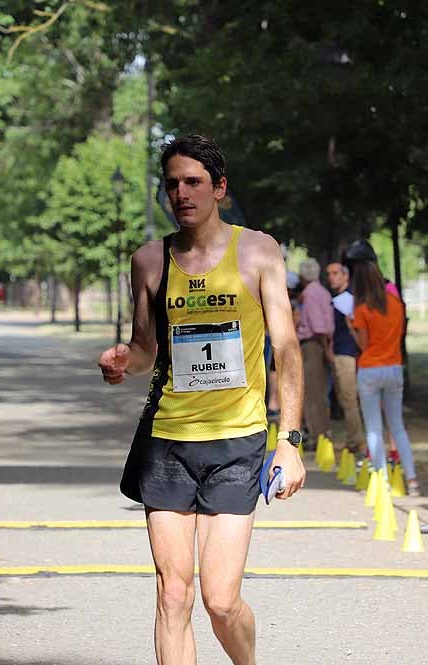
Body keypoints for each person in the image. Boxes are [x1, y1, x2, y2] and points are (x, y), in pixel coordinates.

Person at [98, 134, 305, 665]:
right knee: (172, 594)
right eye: (172, 184)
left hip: (237, 443)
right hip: (167, 442)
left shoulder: (258, 250)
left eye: (193, 182)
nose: (182, 193)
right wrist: (123, 361)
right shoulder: (148, 260)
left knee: (220, 599)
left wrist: (291, 442)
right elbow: (145, 350)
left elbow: (285, 347)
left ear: (219, 187)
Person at [350, 261, 419, 495]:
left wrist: (351, 327)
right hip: (394, 366)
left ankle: (381, 480)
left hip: (370, 367)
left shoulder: (361, 309)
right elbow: (400, 334)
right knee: (398, 426)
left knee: (373, 428)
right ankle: (412, 480)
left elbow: (363, 344)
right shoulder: (396, 304)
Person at [326, 261, 365, 455]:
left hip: (348, 353)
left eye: (335, 273)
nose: (331, 277)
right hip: (340, 352)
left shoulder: (347, 299)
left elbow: (355, 328)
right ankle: (353, 438)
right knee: (344, 397)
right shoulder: (339, 298)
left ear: (345, 275)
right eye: (329, 273)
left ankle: (356, 441)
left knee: (349, 398)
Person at [297, 258, 334, 447]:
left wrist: (325, 348)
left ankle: (317, 435)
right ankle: (322, 432)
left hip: (313, 343)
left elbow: (318, 326)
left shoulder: (309, 294)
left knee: (312, 392)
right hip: (323, 343)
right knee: (320, 391)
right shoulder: (324, 292)